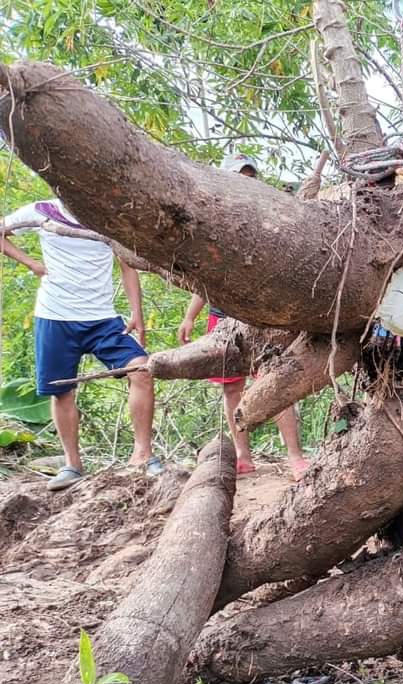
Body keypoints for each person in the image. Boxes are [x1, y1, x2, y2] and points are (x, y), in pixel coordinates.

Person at [1, 199, 162, 490]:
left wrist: (137, 313)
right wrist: (32, 264)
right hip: (55, 314)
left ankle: (142, 454)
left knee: (141, 370)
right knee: (61, 389)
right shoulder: (41, 211)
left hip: (102, 317)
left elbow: (127, 266)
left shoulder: (105, 213)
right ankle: (72, 465)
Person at [177, 153, 309, 481]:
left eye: (250, 176)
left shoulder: (269, 219)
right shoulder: (212, 224)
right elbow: (204, 280)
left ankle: (295, 456)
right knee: (232, 388)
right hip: (222, 319)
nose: (245, 182)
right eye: (239, 176)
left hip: (262, 319)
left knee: (275, 384)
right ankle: (242, 455)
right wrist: (190, 317)